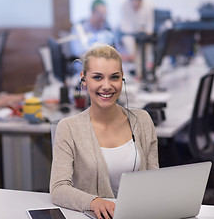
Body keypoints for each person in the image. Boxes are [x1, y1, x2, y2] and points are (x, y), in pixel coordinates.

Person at [50, 43, 159, 219]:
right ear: (84, 79)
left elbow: (154, 179)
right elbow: (58, 188)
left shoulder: (143, 120)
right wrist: (94, 202)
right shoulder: (68, 128)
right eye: (98, 77)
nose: (107, 86)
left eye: (114, 77)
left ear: (122, 78)